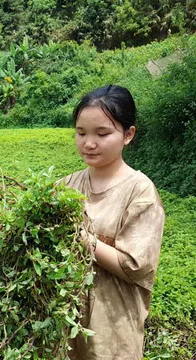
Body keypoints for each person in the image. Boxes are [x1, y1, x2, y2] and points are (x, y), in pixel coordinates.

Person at [60, 85, 165, 359]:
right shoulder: (66, 186)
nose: (88, 143)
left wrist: (82, 239)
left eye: (102, 133)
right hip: (66, 326)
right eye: (81, 133)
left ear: (128, 135)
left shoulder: (140, 193)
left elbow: (134, 266)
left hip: (113, 331)